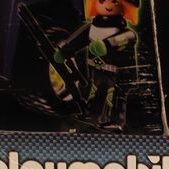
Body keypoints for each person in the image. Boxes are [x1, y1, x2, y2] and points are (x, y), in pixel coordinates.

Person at [54, 0, 140, 130]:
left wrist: (106, 45)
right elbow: (77, 40)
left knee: (116, 97)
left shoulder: (127, 33)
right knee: (95, 93)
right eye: (101, 0)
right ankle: (91, 115)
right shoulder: (91, 28)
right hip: (97, 71)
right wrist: (65, 50)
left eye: (115, 2)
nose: (108, 5)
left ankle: (116, 121)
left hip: (118, 74)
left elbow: (124, 39)